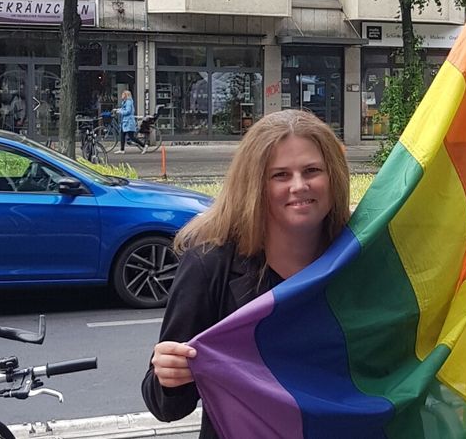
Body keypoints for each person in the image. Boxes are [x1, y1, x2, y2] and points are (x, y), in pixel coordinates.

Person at [141, 110, 350, 439]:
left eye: (312, 170)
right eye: (280, 175)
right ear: (255, 185)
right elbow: (166, 406)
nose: (299, 185)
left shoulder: (358, 258)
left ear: (333, 176)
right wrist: (168, 375)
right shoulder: (209, 266)